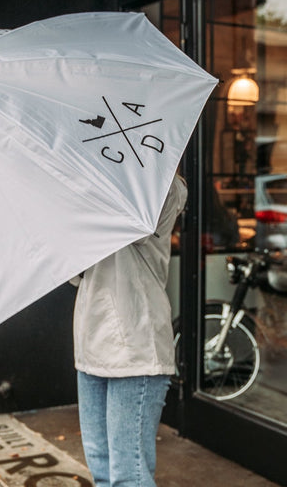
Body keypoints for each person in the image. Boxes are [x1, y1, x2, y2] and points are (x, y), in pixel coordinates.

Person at [71, 173, 187, 487]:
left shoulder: (160, 187)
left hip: (136, 345)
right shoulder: (97, 186)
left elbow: (130, 225)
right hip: (90, 342)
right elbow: (77, 269)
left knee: (128, 475)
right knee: (102, 472)